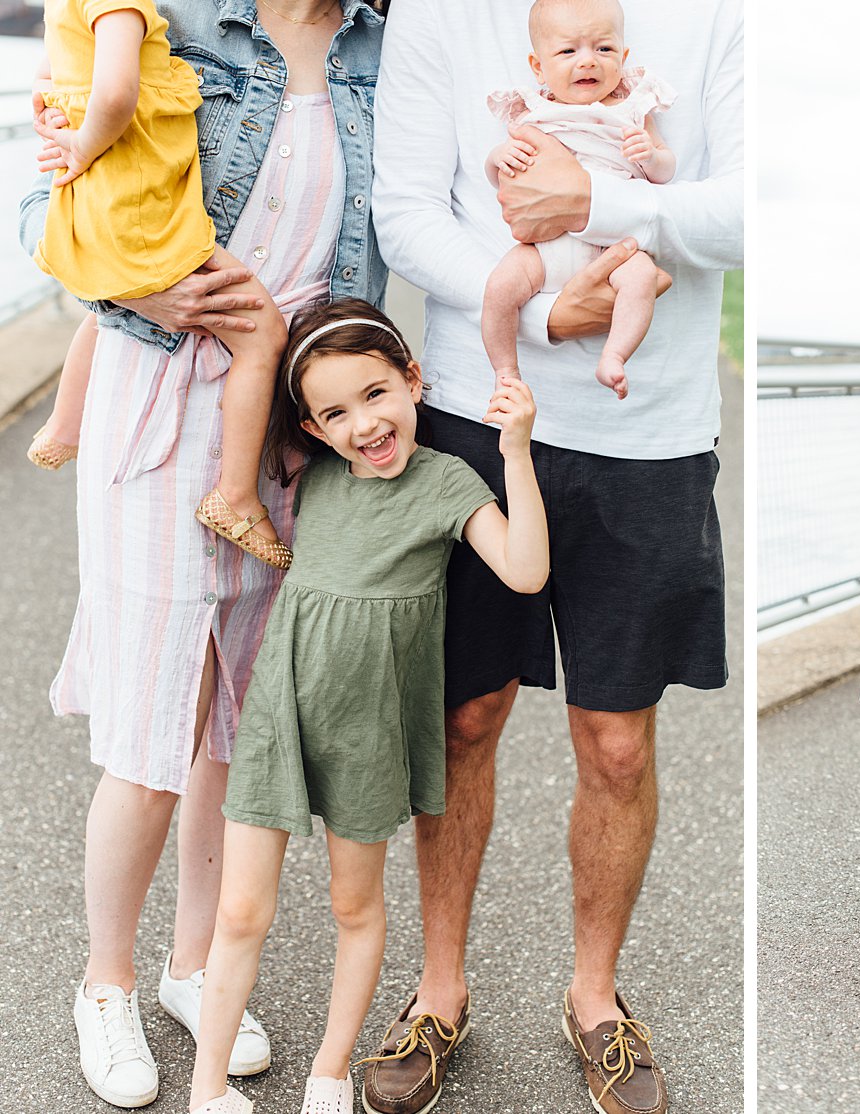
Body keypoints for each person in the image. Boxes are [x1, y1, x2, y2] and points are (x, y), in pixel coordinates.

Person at [370, 0, 740, 1111]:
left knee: (617, 741)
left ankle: (596, 999)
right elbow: (405, 216)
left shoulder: (719, 19)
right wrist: (545, 319)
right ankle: (440, 991)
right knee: (464, 714)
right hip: (481, 417)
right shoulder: (440, 16)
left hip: (652, 435)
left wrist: (601, 203)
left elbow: (748, 211)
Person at [19, 0, 385, 1105]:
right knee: (152, 730)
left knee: (240, 718)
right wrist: (143, 286)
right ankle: (106, 982)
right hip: (158, 400)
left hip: (283, 423)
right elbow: (46, 198)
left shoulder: (378, 41)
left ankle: (192, 964)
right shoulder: (173, 23)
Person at [187, 301, 548, 1114]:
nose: (365, 424)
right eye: (336, 413)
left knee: (354, 906)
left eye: (378, 394)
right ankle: (207, 1092)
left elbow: (525, 571)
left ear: (413, 380)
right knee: (242, 909)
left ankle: (329, 1071)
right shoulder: (310, 478)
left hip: (369, 730)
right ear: (311, 430)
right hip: (283, 716)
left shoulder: (446, 483)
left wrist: (516, 452)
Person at [27, 0, 291, 568]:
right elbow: (119, 94)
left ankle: (64, 426)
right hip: (137, 192)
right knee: (262, 334)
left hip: (103, 193)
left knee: (105, 308)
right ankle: (237, 496)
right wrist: (84, 141)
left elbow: (48, 75)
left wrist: (55, 114)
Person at [482, 0, 675, 399]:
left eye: (603, 49)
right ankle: (505, 370)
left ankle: (615, 355)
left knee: (640, 277)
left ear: (622, 57)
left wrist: (651, 155)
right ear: (539, 66)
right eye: (568, 51)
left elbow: (665, 170)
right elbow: (503, 178)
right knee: (500, 288)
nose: (587, 61)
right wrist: (497, 159)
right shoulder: (534, 110)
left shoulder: (632, 109)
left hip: (613, 246)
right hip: (544, 248)